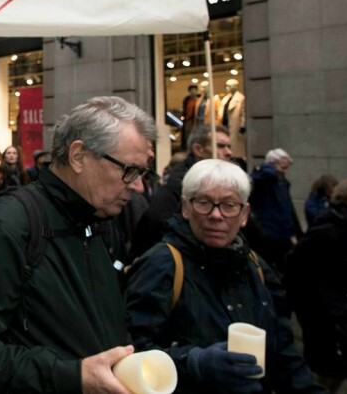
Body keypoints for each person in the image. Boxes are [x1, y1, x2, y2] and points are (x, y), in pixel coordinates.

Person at [0, 96, 156, 393]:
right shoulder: (9, 224)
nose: (137, 186)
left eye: (143, 174)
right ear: (79, 157)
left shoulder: (103, 222)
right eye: (129, 170)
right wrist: (73, 376)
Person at [125, 159, 325, 394]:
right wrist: (194, 363)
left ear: (244, 214)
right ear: (185, 207)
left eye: (229, 205)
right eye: (204, 203)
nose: (216, 215)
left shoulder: (255, 267)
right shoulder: (161, 264)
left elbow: (284, 352)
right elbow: (132, 351)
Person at [286, 177, 347, 394]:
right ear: (346, 196)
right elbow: (296, 269)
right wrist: (326, 308)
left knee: (336, 376)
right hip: (336, 322)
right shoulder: (330, 228)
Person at [131, 124, 233, 257]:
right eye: (220, 146)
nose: (229, 152)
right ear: (198, 149)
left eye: (229, 147)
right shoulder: (180, 188)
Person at [249, 148, 302, 271]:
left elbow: (289, 209)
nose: (285, 171)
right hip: (269, 234)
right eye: (283, 167)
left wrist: (295, 232)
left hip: (284, 234)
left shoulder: (282, 182)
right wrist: (271, 168)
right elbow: (258, 177)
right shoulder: (264, 178)